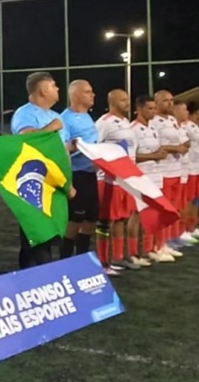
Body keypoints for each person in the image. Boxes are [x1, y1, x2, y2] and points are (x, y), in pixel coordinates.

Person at [10, 71, 72, 268]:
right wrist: (52, 127)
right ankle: (36, 278)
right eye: (54, 86)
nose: (58, 89)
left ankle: (32, 276)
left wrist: (68, 181)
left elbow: (64, 150)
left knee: (49, 236)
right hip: (34, 185)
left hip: (56, 185)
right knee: (37, 237)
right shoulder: (25, 114)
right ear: (44, 90)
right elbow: (27, 139)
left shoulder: (55, 115)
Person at [59, 80, 108, 272]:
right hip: (77, 175)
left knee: (91, 219)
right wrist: (74, 147)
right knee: (74, 221)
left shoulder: (88, 117)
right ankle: (65, 263)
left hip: (91, 175)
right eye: (88, 92)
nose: (93, 95)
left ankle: (82, 262)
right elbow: (63, 150)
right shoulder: (66, 119)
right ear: (76, 95)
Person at [94, 89, 144, 271]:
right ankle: (102, 261)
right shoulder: (104, 123)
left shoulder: (125, 123)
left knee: (122, 219)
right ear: (112, 102)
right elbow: (94, 149)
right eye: (123, 100)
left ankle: (118, 257)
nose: (127, 103)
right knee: (105, 221)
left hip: (126, 180)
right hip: (109, 181)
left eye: (127, 99)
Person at [130, 96, 172, 262]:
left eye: (155, 108)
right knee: (136, 216)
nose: (154, 111)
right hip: (141, 178)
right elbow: (131, 156)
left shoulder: (153, 128)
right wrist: (153, 156)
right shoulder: (133, 129)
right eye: (150, 108)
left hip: (156, 177)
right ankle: (133, 253)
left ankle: (150, 249)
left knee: (153, 215)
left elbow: (157, 151)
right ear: (140, 109)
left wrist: (160, 154)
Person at [150, 90, 189, 258]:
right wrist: (176, 148)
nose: (170, 104)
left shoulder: (172, 120)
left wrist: (183, 146)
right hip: (162, 172)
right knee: (162, 211)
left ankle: (167, 240)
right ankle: (156, 245)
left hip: (177, 170)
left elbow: (183, 141)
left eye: (171, 100)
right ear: (157, 103)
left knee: (174, 208)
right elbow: (155, 147)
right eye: (165, 101)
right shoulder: (153, 122)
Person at [173, 100, 199, 242]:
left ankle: (191, 227)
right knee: (184, 201)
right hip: (186, 169)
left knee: (195, 200)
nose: (186, 113)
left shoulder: (192, 126)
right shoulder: (184, 127)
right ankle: (181, 230)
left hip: (196, 168)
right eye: (184, 110)